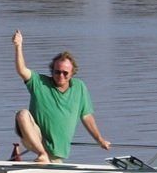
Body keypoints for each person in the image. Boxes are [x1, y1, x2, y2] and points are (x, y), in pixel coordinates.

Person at [11, 29, 108, 164]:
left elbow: (86, 116)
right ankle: (42, 154)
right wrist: (18, 46)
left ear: (72, 72)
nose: (60, 76)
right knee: (22, 114)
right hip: (36, 139)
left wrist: (99, 139)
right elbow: (21, 70)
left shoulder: (79, 87)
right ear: (52, 71)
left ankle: (45, 158)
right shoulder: (39, 82)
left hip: (58, 151)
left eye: (65, 73)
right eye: (57, 72)